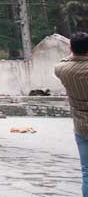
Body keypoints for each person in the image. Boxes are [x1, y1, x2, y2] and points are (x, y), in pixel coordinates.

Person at [54, 31, 88, 197]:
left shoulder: (62, 69)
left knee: (87, 172)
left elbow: (63, 61)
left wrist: (74, 54)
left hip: (81, 126)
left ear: (70, 48)